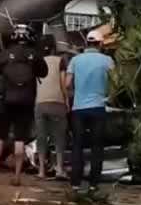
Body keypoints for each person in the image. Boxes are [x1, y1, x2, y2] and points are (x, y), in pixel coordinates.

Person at [0, 23, 47, 190]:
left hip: (5, 100)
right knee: (20, 138)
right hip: (26, 101)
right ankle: (17, 176)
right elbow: (44, 72)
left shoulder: (6, 53)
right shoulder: (35, 55)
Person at [66, 29, 115, 192]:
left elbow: (67, 84)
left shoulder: (75, 60)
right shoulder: (107, 60)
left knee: (78, 145)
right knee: (96, 146)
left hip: (78, 108)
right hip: (98, 107)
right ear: (101, 44)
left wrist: (75, 93)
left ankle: (75, 183)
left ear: (86, 43)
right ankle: (94, 184)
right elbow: (116, 83)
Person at [34, 47, 70, 180]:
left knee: (41, 137)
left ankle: (42, 171)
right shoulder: (60, 61)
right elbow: (62, 83)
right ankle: (59, 169)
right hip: (57, 102)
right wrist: (66, 100)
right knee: (59, 137)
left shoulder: (37, 61)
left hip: (40, 103)